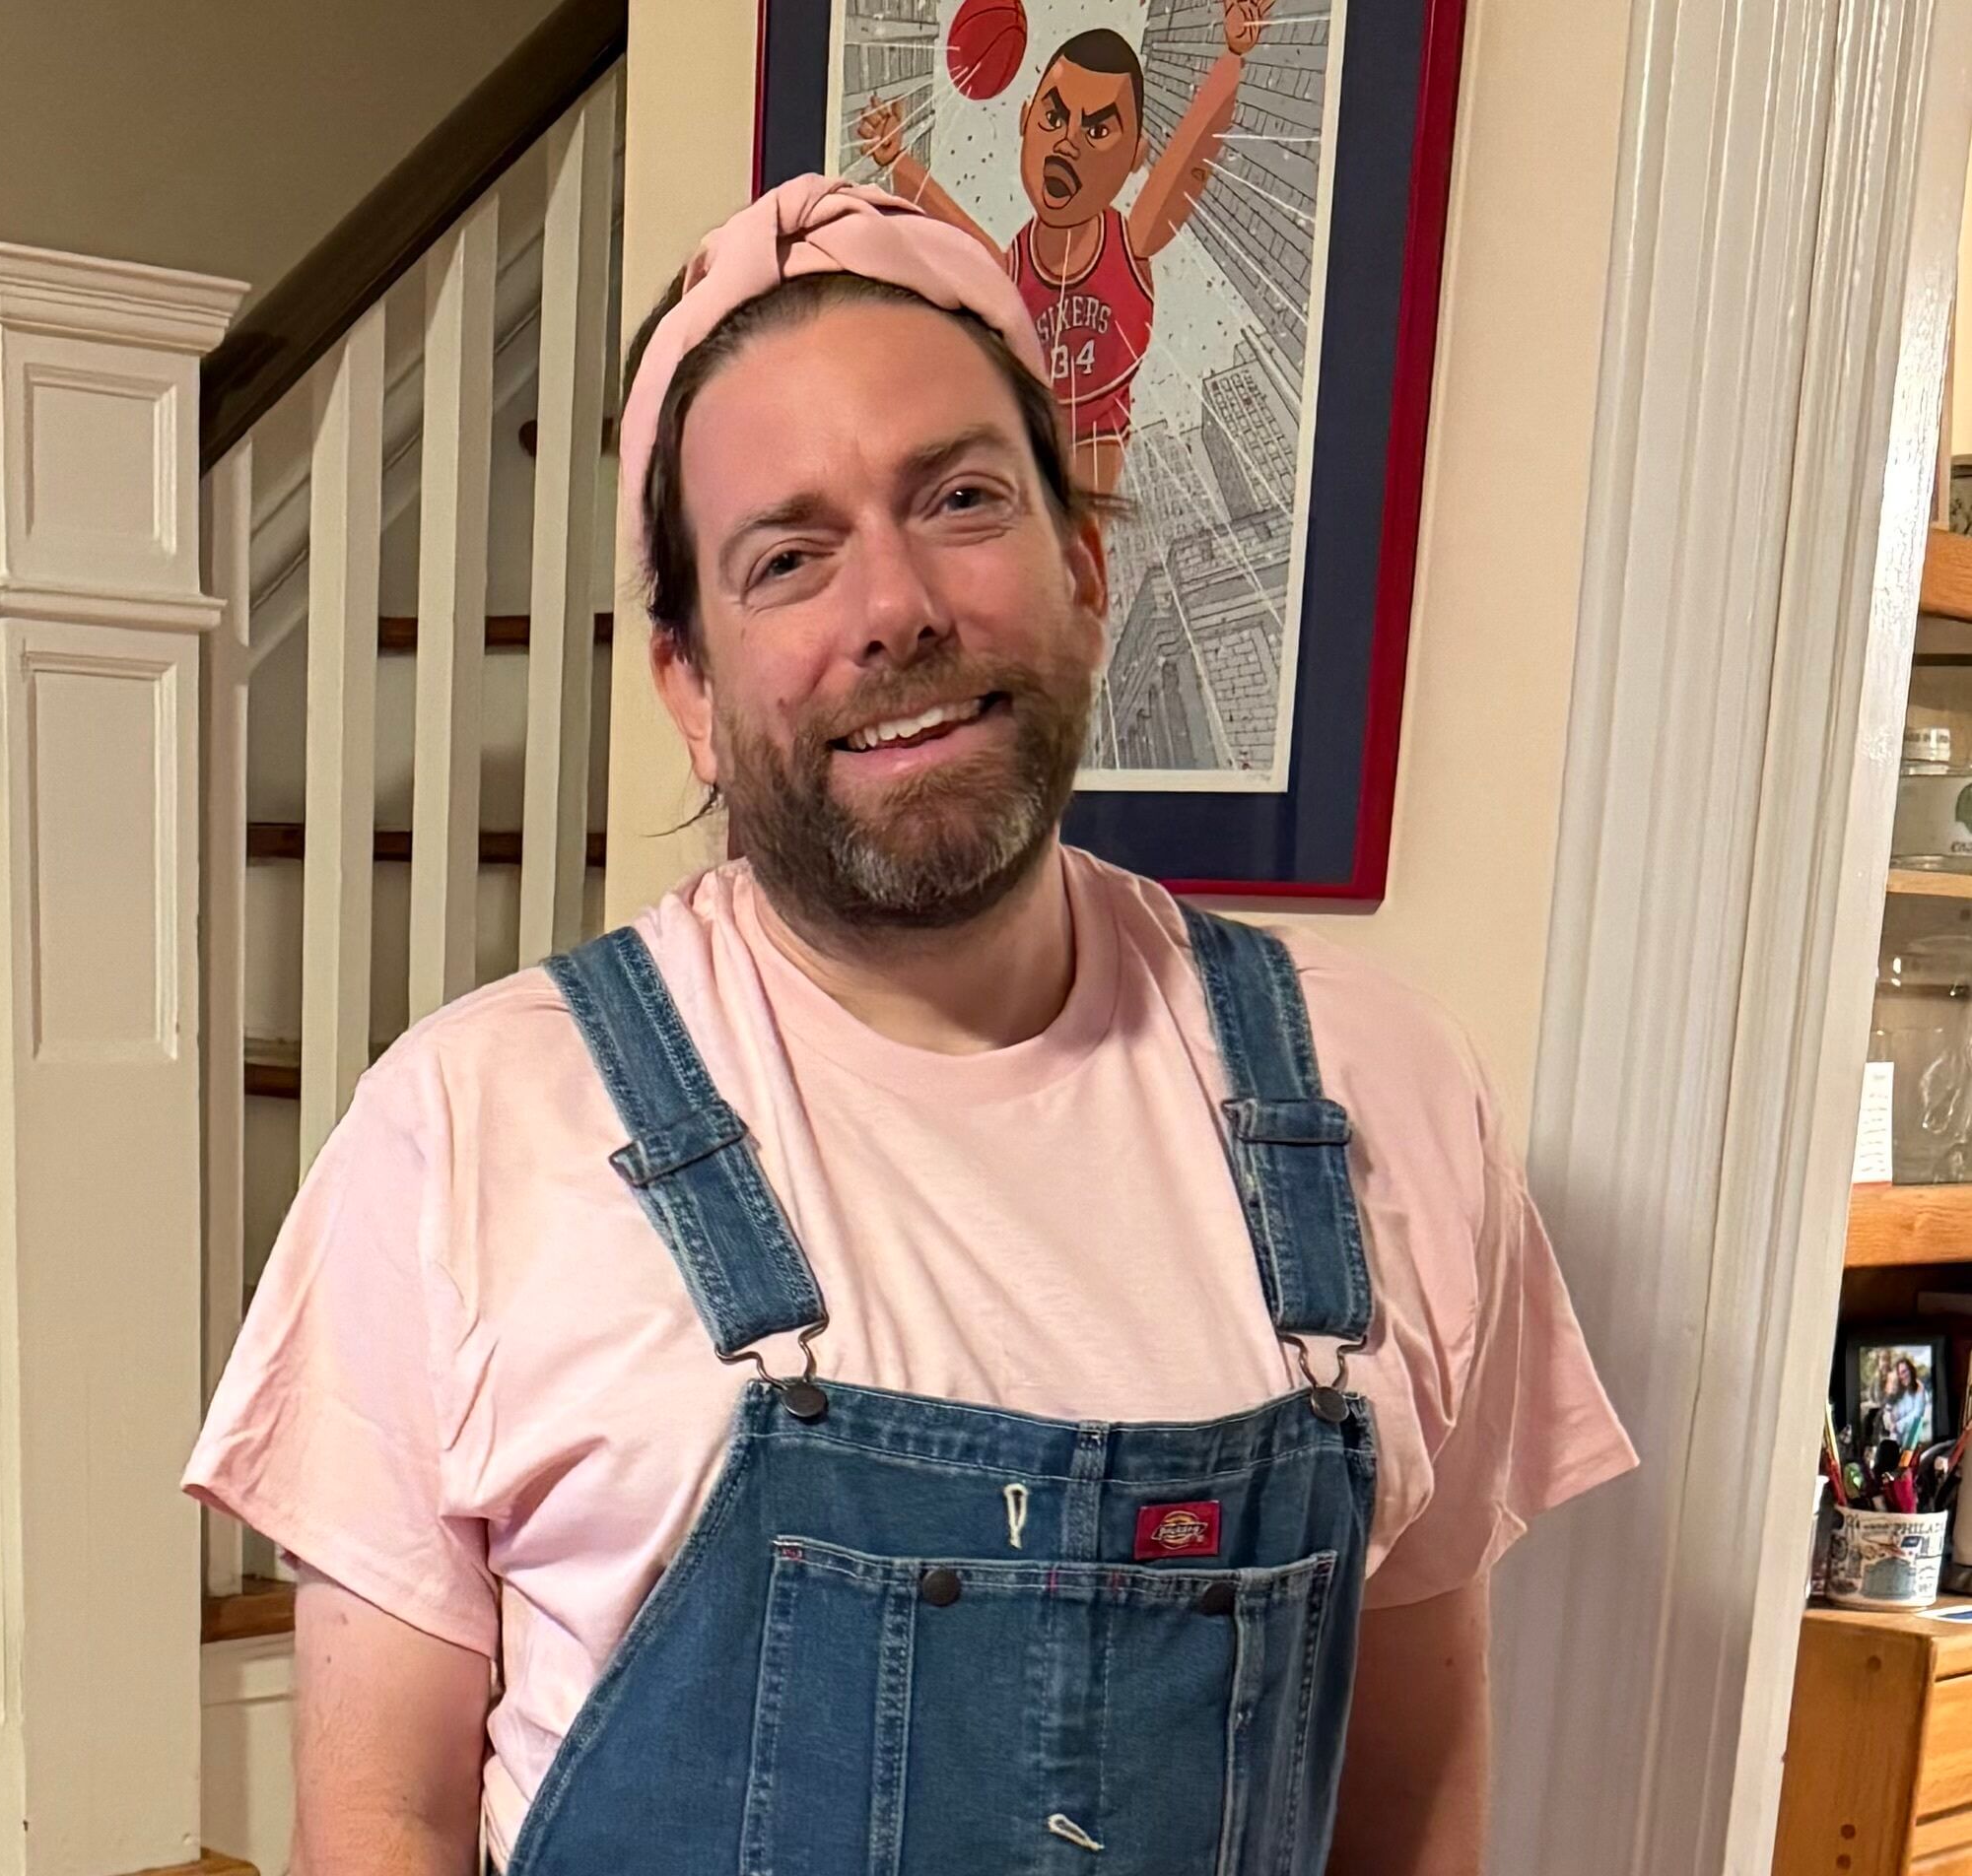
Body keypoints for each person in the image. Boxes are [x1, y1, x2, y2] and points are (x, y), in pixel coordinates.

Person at [185, 176, 1637, 1876]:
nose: (893, 607)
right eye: (787, 554)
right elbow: (378, 1821)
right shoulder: (466, 1126)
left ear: (1082, 567)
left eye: (956, 497)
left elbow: (1409, 1793)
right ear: (691, 687)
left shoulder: (1382, 1090)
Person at [856, 1, 1270, 494]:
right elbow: (952, 228)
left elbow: (1189, 157)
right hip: (1026, 433)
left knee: (1074, 523)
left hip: (1097, 437)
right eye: (1054, 117)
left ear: (1136, 154)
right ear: (1027, 120)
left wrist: (1233, 57)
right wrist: (897, 159)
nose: (1068, 141)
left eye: (1097, 129)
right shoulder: (1012, 269)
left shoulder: (1130, 240)